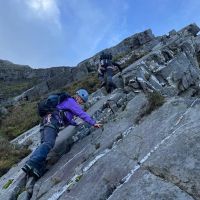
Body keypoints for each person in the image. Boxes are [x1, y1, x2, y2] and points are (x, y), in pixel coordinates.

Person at [22, 89, 102, 178]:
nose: (81, 102)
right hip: (52, 121)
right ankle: (32, 163)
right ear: (78, 96)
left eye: (82, 102)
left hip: (46, 121)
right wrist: (93, 123)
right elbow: (81, 114)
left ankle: (32, 167)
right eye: (81, 100)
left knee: (44, 144)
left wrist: (74, 123)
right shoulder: (71, 102)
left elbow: (66, 118)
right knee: (49, 143)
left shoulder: (66, 103)